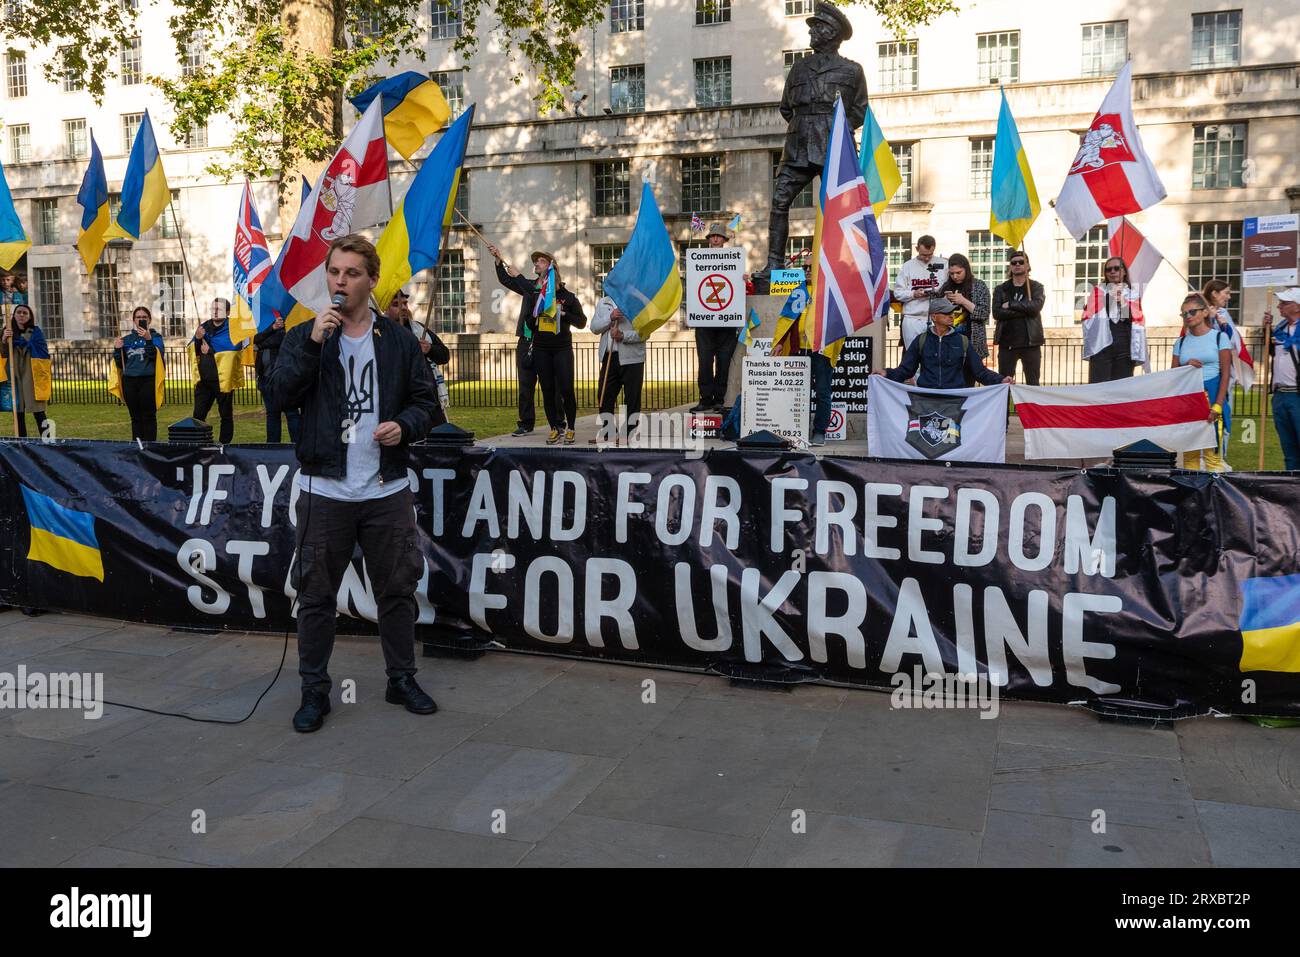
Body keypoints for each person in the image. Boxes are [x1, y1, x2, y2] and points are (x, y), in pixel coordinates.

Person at [266, 234, 442, 733]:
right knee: (317, 595)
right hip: (326, 491)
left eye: (351, 274)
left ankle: (400, 678)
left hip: (385, 490)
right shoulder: (306, 336)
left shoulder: (399, 340)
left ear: (370, 280)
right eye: (334, 272)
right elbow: (278, 395)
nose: (340, 282)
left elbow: (427, 404)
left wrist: (404, 426)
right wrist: (315, 344)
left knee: (397, 588)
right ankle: (313, 691)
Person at [763, 1, 868, 277]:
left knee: (843, 207)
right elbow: (786, 107)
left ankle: (846, 265)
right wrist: (807, 125)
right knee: (779, 202)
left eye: (818, 27)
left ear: (832, 33)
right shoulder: (798, 68)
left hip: (834, 147)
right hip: (798, 144)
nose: (812, 32)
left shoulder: (852, 71)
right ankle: (774, 263)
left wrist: (834, 131)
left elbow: (859, 111)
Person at [487, 244, 585, 444]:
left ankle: (561, 423)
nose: (536, 263)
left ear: (551, 267)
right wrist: (499, 261)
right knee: (529, 384)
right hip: (531, 341)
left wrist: (519, 276)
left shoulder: (560, 295)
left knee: (559, 386)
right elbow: (509, 281)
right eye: (535, 261)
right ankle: (528, 422)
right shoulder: (532, 288)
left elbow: (579, 320)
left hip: (557, 345)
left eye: (540, 260)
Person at [875, 299, 1012, 390]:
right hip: (926, 399)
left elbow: (980, 372)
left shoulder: (963, 341)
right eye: (946, 313)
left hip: (954, 401)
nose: (951, 316)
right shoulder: (921, 340)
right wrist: (886, 373)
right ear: (934, 317)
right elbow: (905, 370)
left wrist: (1001, 380)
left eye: (952, 312)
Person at [1171, 293, 1232, 472]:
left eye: (1192, 312)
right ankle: (1193, 498)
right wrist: (1186, 365)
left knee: (1212, 457)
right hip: (1188, 402)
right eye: (1184, 314)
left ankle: (1215, 498)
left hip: (1212, 399)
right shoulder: (1180, 343)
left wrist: (1218, 405)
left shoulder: (1220, 338)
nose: (1188, 316)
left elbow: (1226, 374)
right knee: (1190, 457)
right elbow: (1173, 376)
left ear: (1205, 312)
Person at [386, 288, 451, 427]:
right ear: (385, 309)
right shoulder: (381, 332)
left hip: (430, 399)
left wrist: (429, 349)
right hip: (399, 403)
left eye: (405, 303)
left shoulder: (420, 329)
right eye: (396, 305)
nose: (403, 308)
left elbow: (444, 355)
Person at [692, 223, 739, 413]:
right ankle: (705, 399)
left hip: (727, 322)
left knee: (723, 361)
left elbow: (738, 289)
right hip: (704, 322)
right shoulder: (698, 261)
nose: (715, 239)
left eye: (719, 236)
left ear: (724, 240)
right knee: (704, 362)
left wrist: (743, 280)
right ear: (709, 239)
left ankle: (719, 399)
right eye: (712, 236)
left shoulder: (735, 260)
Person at [590, 295, 644, 444]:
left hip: (632, 358)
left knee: (632, 398)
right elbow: (594, 327)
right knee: (604, 396)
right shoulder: (603, 302)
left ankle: (629, 433)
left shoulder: (637, 301)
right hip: (609, 357)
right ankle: (609, 433)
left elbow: (644, 332)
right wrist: (610, 317)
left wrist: (623, 335)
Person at [1082, 256, 1146, 383]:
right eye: (1108, 269)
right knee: (1099, 386)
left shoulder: (1132, 294)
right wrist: (1109, 297)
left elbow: (1136, 320)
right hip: (1102, 348)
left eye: (1116, 268)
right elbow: (1088, 316)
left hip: (1124, 347)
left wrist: (1122, 302)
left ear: (1123, 272)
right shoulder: (1098, 291)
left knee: (1121, 388)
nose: (1112, 272)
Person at [191, 297, 243, 443]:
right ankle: (200, 443)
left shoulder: (233, 328)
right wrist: (197, 338)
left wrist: (211, 351)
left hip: (223, 380)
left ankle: (224, 445)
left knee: (225, 415)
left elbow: (233, 350)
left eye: (218, 308)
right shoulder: (204, 326)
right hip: (204, 380)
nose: (214, 311)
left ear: (227, 312)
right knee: (198, 415)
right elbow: (195, 351)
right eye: (213, 308)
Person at [992, 250, 1046, 385]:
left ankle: (1031, 407)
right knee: (1004, 384)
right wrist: (1026, 309)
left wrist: (1010, 304)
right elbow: (997, 313)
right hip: (1007, 343)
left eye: (1021, 262)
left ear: (1027, 265)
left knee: (1033, 383)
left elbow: (1035, 308)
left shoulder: (1036, 287)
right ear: (1010, 266)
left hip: (1031, 343)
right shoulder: (1001, 289)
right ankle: (1006, 407)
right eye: (1013, 262)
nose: (1017, 264)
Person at [113, 305, 163, 441]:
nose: (141, 319)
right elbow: (120, 363)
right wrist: (117, 349)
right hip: (129, 381)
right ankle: (137, 446)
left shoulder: (156, 337)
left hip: (148, 380)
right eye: (138, 317)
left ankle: (151, 448)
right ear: (134, 320)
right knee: (135, 417)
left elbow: (155, 356)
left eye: (144, 317)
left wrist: (148, 340)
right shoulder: (127, 339)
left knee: (149, 416)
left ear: (149, 320)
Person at [1263, 288, 1300, 470]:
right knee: (1289, 448)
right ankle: (1293, 492)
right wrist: (1267, 330)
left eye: (1284, 303)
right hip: (1280, 395)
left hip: (1297, 394)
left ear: (1297, 306)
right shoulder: (1280, 329)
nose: (1279, 306)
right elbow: (1272, 353)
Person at [2, 304, 51, 438]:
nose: (22, 315)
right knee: (18, 413)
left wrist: (25, 342)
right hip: (14, 373)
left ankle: (48, 441)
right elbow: (3, 354)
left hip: (31, 374)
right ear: (14, 315)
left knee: (39, 412)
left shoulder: (34, 331)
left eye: (25, 313)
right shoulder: (8, 331)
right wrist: (4, 340)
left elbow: (43, 352)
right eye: (19, 312)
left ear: (30, 316)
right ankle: (22, 443)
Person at [893, 236, 947, 349]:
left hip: (936, 318)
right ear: (917, 248)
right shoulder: (908, 266)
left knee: (935, 355)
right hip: (913, 318)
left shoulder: (943, 264)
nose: (927, 259)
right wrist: (913, 294)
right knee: (913, 355)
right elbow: (898, 293)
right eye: (923, 255)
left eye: (930, 255)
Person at [254, 314, 301, 443]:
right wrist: (271, 328)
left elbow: (280, 340)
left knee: (291, 413)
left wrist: (260, 344)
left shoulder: (288, 325)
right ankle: (273, 447)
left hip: (283, 379)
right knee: (272, 415)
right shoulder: (266, 326)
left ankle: (298, 445)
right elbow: (255, 339)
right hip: (265, 379)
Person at [935, 253, 990, 360]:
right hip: (948, 343)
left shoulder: (979, 286)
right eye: (951, 274)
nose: (955, 276)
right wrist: (943, 302)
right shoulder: (946, 286)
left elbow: (984, 314)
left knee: (969, 375)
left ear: (966, 270)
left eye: (958, 273)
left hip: (972, 342)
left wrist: (963, 301)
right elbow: (936, 313)